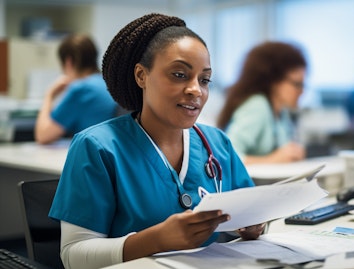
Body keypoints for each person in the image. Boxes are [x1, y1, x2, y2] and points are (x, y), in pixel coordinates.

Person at [48, 13, 265, 269]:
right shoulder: (97, 147)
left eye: (204, 79)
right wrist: (156, 239)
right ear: (141, 76)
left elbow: (249, 216)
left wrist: (254, 226)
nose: (196, 89)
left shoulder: (218, 144)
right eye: (179, 74)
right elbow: (73, 256)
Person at [217, 41, 307, 165]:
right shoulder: (258, 106)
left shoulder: (281, 112)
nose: (302, 91)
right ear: (275, 81)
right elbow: (225, 157)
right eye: (297, 84)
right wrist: (272, 160)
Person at [34, 33, 117, 145]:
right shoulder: (108, 82)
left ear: (68, 62)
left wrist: (49, 95)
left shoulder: (81, 89)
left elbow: (43, 136)